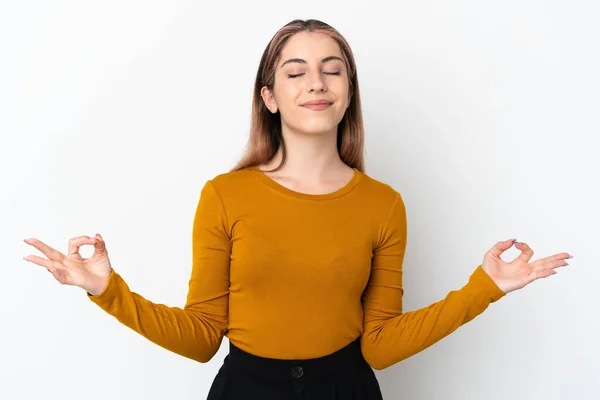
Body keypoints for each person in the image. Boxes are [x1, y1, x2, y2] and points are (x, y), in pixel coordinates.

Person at [23, 18, 572, 400]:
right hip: (246, 392)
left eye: (333, 70)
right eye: (296, 71)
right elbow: (200, 338)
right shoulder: (225, 195)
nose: (316, 82)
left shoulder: (383, 204)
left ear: (349, 90)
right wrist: (105, 289)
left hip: (347, 391)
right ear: (269, 97)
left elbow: (378, 346)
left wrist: (486, 287)